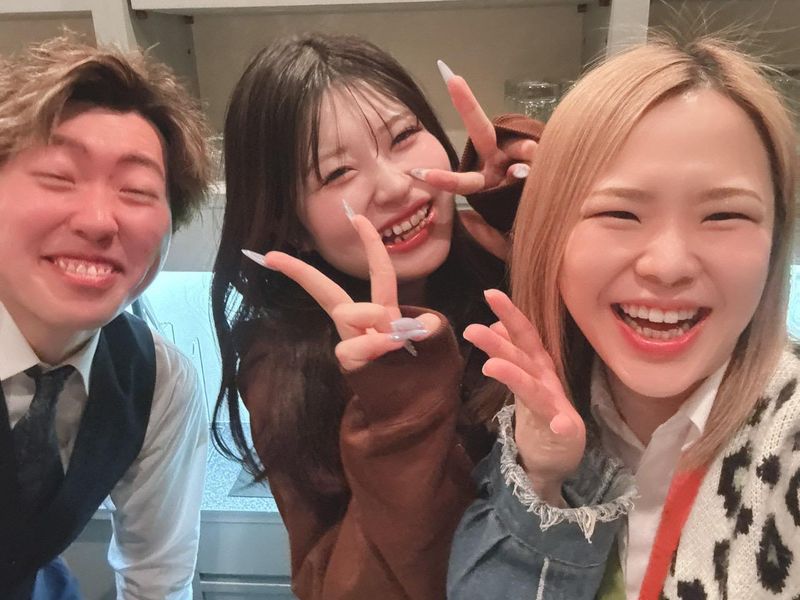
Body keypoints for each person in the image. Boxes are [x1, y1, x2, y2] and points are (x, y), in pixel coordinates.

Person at [447, 33, 798, 600]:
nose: (668, 266)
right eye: (619, 212)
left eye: (723, 216)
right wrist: (543, 484)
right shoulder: (534, 409)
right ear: (549, 236)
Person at [211, 33, 540, 599]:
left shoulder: (499, 254)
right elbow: (330, 584)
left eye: (405, 136)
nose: (394, 187)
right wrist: (399, 407)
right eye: (337, 173)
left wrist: (542, 216)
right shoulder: (282, 368)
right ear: (292, 227)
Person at [0, 34, 212, 599]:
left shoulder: (157, 383)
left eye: (137, 190)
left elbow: (158, 579)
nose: (98, 221)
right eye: (58, 177)